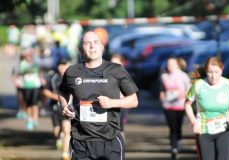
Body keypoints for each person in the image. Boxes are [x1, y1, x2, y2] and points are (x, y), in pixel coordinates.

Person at [58, 31, 139, 160]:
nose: (92, 46)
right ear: (80, 49)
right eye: (87, 43)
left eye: (95, 42)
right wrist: (64, 104)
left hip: (110, 139)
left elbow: (134, 101)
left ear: (102, 47)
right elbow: (62, 91)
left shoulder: (116, 70)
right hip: (81, 141)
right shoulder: (72, 72)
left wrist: (113, 103)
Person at [184, 57, 229, 160]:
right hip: (204, 130)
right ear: (206, 71)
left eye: (216, 72)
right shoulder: (198, 85)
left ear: (222, 70)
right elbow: (187, 104)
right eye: (210, 72)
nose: (213, 76)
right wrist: (194, 122)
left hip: (225, 129)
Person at [159, 57, 191, 160]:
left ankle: (178, 140)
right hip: (168, 105)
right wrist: (162, 94)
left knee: (178, 126)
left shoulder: (183, 76)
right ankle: (174, 148)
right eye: (168, 64)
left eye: (172, 64)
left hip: (180, 105)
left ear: (177, 65)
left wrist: (181, 95)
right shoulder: (164, 76)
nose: (169, 66)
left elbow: (190, 90)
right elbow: (162, 89)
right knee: (172, 127)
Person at [42, 59, 71, 160]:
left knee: (67, 131)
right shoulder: (53, 78)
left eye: (65, 66)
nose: (63, 68)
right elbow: (45, 91)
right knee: (56, 131)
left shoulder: (72, 77)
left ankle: (65, 153)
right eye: (61, 66)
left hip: (68, 109)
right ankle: (58, 137)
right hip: (56, 108)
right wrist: (58, 97)